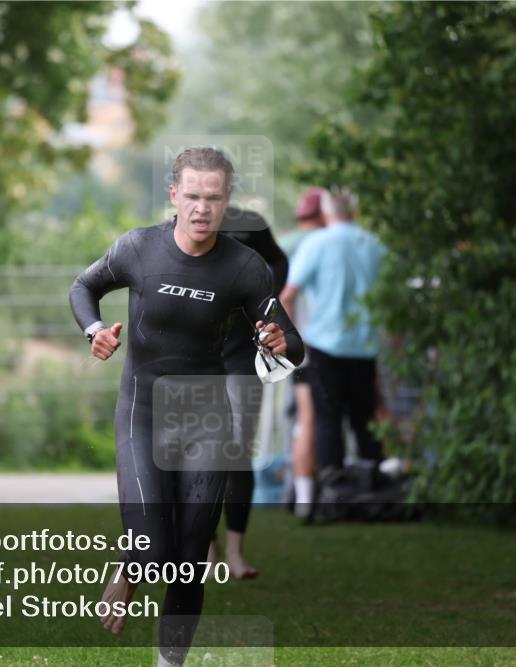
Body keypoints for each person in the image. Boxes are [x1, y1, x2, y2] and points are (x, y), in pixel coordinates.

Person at [69, 147, 304, 667]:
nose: (202, 208)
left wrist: (282, 343)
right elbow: (85, 285)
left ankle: (168, 663)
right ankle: (133, 565)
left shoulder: (246, 268)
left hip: (205, 415)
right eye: (192, 196)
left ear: (226, 202)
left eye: (213, 198)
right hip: (144, 412)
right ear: (174, 195)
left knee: (191, 554)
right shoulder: (138, 249)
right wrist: (94, 332)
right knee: (153, 550)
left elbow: (292, 341)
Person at [280, 187, 387, 482]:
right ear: (355, 211)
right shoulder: (374, 245)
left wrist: (295, 338)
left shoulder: (318, 243)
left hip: (324, 345)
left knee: (327, 419)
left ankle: (333, 484)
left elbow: (287, 295)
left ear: (327, 212)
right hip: (365, 346)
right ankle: (373, 484)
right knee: (364, 420)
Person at [206, 206, 289, 579]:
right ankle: (207, 552)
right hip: (198, 356)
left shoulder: (250, 224)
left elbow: (279, 261)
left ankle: (236, 554)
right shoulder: (181, 226)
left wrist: (266, 303)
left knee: (237, 449)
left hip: (244, 354)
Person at [277, 188, 326, 517]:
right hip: (313, 343)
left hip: (284, 343)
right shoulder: (320, 243)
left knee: (297, 417)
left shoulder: (284, 244)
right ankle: (306, 499)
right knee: (311, 418)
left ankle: (295, 489)